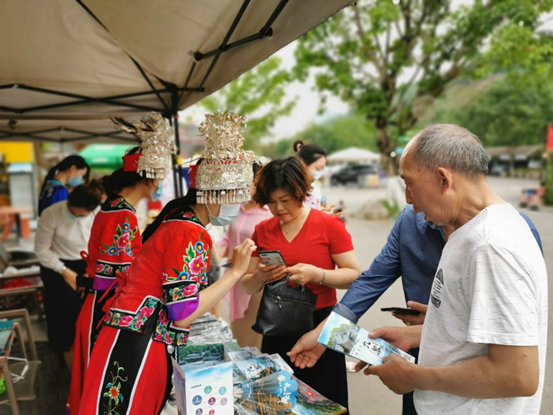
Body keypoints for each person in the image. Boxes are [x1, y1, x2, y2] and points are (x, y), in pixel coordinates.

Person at [291, 124, 548, 415]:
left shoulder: (493, 246)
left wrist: (414, 376)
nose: (408, 199)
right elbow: (375, 279)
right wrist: (422, 333)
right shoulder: (464, 229)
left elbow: (517, 375)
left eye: (409, 183)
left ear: (443, 179)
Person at [79, 110, 258, 414]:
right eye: (235, 195)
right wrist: (235, 273)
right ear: (212, 192)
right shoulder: (190, 232)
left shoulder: (177, 219)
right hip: (140, 341)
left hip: (128, 332)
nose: (237, 205)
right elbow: (182, 313)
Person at [66, 114, 176, 415]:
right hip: (107, 306)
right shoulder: (123, 215)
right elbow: (122, 276)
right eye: (159, 176)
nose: (160, 184)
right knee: (107, 385)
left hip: (97, 302)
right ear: (148, 176)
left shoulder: (111, 208)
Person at [241, 156, 361, 410]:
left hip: (323, 326)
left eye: (284, 200)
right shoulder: (263, 230)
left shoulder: (329, 225)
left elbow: (354, 275)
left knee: (329, 401)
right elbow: (247, 286)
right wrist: (261, 277)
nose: (278, 208)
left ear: (300, 193)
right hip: (277, 325)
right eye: (271, 202)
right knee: (280, 402)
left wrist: (318, 274)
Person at [34, 183, 103, 370]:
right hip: (56, 265)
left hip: (87, 265)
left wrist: (88, 271)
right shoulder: (51, 214)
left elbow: (101, 241)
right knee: (64, 318)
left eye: (84, 215)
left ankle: (92, 364)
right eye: (77, 213)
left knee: (93, 313)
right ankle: (70, 370)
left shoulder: (97, 212)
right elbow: (41, 250)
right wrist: (65, 272)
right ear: (70, 204)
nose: (80, 217)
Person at [220, 162, 272, 348]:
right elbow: (228, 238)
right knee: (237, 327)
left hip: (256, 279)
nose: (241, 188)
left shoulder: (269, 212)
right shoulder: (237, 207)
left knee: (253, 331)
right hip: (233, 276)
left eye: (245, 183)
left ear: (258, 182)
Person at [294, 140, 327, 210]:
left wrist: (325, 212)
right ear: (303, 164)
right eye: (318, 168)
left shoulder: (315, 188)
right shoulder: (292, 190)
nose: (320, 173)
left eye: (322, 169)